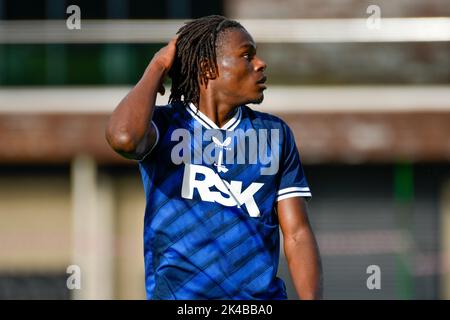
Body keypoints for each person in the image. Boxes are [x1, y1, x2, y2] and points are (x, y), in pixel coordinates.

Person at [106, 15, 322, 300]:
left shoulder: (275, 134)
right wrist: (157, 66)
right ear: (208, 67)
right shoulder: (165, 126)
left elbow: (297, 235)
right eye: (247, 55)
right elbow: (123, 137)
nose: (260, 64)